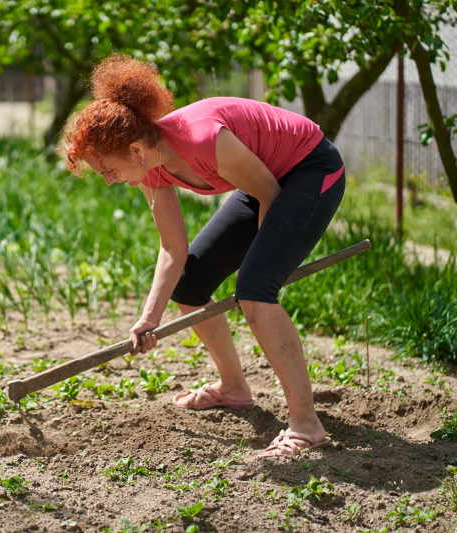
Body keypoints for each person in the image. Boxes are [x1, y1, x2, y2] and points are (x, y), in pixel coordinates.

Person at [61, 55, 346, 458]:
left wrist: (265, 273)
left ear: (136, 148)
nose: (108, 181)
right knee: (190, 285)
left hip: (309, 169)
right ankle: (233, 388)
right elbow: (173, 248)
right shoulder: (150, 167)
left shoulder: (202, 139)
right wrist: (150, 316)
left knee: (255, 291)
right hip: (262, 180)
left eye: (107, 169)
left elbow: (270, 195)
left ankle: (306, 425)